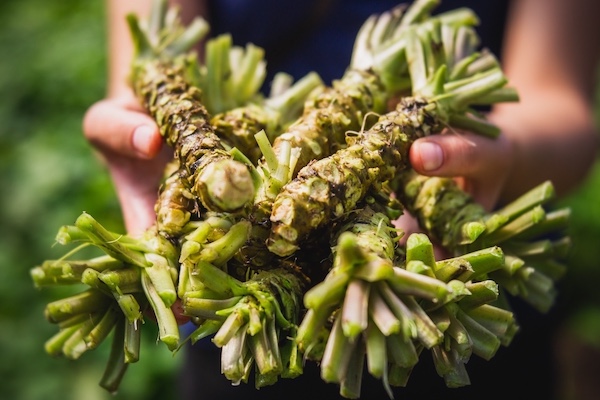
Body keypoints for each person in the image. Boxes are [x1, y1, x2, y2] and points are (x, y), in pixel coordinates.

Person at [83, 0, 600, 398]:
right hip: (232, 333)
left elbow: (563, 109)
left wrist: (503, 153)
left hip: (451, 299)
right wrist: (153, 134)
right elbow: (152, 58)